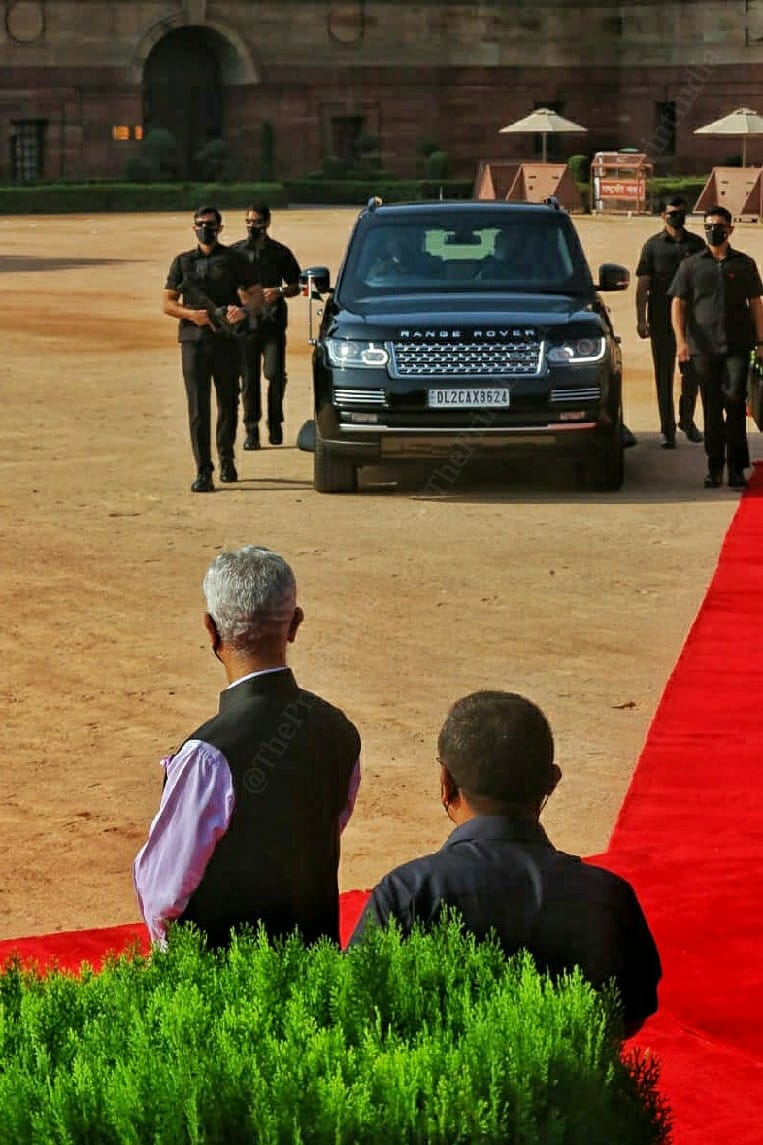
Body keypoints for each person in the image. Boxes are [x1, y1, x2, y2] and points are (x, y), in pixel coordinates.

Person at [350, 691, 660, 1037]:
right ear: (552, 782)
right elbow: (631, 1012)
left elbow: (358, 1006)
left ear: (446, 784)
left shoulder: (409, 891)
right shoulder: (608, 898)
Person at [133, 545, 361, 950]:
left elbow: (162, 896)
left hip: (230, 984)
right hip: (318, 970)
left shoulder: (207, 755)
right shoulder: (340, 731)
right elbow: (323, 829)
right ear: (294, 625)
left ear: (211, 629)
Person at [163, 206, 263, 493]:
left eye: (210, 224)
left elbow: (256, 295)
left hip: (227, 340)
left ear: (219, 228)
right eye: (200, 224)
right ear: (194, 227)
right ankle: (203, 469)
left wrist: (243, 312)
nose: (205, 228)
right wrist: (191, 315)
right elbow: (167, 303)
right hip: (194, 342)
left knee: (229, 402)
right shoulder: (182, 262)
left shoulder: (234, 259)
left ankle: (226, 457)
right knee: (198, 408)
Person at [670, 204, 763, 489]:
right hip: (703, 348)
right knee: (711, 408)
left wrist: (761, 342)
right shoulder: (691, 265)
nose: (713, 231)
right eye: (708, 227)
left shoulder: (744, 264)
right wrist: (681, 342)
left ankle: (737, 468)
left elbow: (756, 304)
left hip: (737, 345)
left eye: (718, 227)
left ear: (730, 229)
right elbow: (678, 304)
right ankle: (715, 467)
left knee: (735, 401)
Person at [635, 196, 706, 449]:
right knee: (663, 376)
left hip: (693, 321)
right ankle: (667, 430)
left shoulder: (697, 244)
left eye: (682, 213)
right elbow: (643, 285)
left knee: (692, 374)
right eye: (673, 213)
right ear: (663, 216)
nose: (678, 217)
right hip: (661, 319)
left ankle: (686, 420)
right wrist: (641, 319)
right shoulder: (652, 246)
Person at [231, 204, 301, 450]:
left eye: (257, 221)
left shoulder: (280, 253)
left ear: (268, 222)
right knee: (249, 380)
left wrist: (279, 291)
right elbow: (224, 283)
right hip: (246, 326)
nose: (252, 226)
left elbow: (297, 284)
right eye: (248, 221)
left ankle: (275, 421)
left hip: (272, 324)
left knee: (274, 374)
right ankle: (251, 429)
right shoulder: (235, 253)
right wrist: (236, 294)